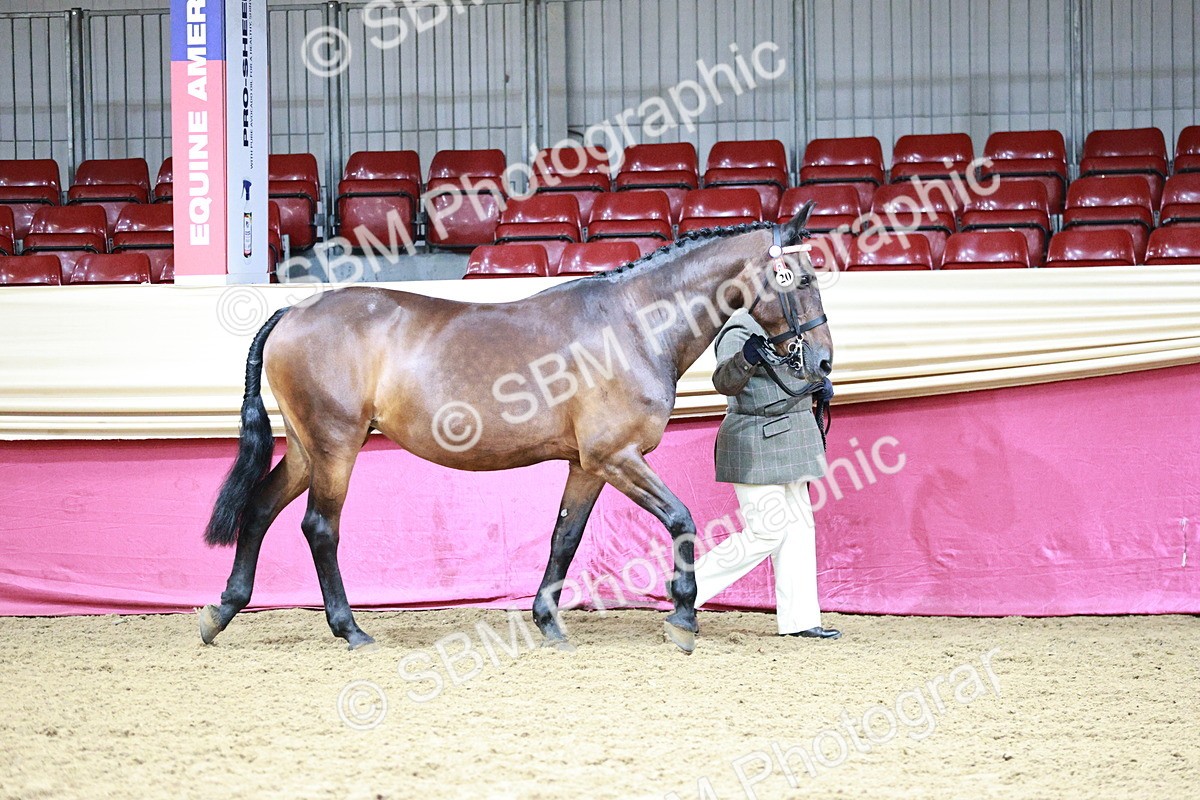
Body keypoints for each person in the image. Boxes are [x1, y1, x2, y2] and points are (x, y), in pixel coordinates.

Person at [691, 310, 841, 639]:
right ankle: (687, 587)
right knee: (767, 532)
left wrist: (816, 385)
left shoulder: (793, 322)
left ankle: (801, 620)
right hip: (755, 440)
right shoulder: (740, 326)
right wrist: (746, 357)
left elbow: (798, 367)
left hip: (794, 436)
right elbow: (724, 381)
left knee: (799, 530)